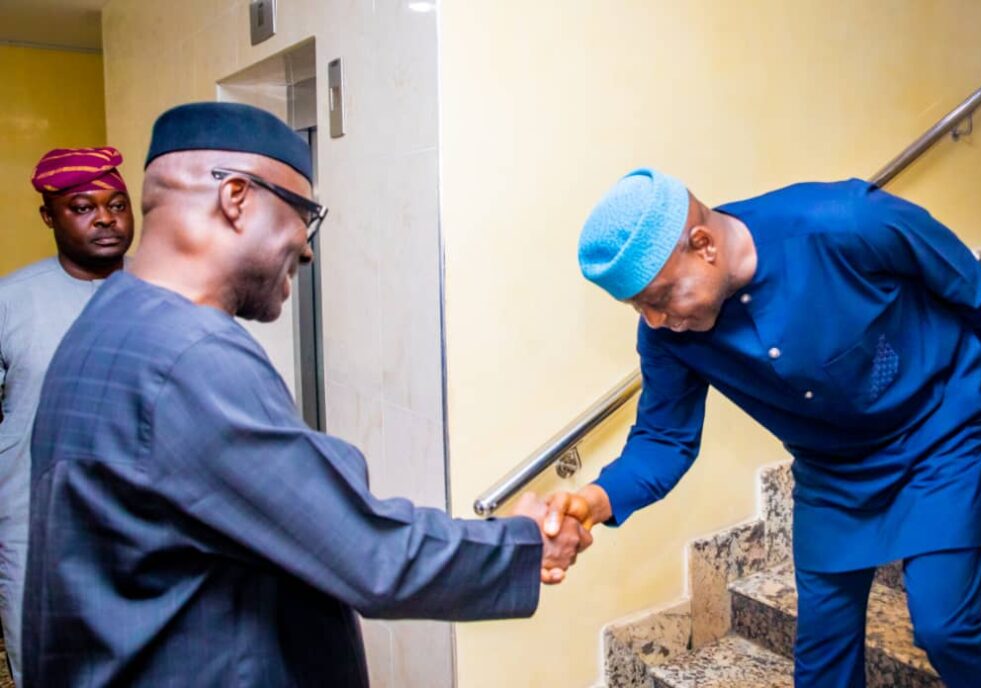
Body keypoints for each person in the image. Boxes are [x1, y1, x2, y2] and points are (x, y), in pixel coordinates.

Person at [21, 102, 590, 687]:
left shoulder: (106, 326)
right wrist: (524, 544)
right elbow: (367, 552)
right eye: (303, 215)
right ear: (236, 197)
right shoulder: (188, 356)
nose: (308, 247)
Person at [545, 168, 981, 688]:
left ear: (702, 244)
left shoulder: (842, 220)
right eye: (639, 308)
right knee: (821, 663)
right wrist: (594, 500)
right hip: (834, 474)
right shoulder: (666, 337)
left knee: (944, 625)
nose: (655, 320)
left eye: (660, 298)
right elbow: (664, 440)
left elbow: (960, 275)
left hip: (938, 430)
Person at [0, 147, 135, 687]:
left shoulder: (172, 293)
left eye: (117, 203)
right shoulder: (11, 302)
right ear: (49, 216)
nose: (105, 218)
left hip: (144, 527)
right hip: (38, 527)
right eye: (82, 206)